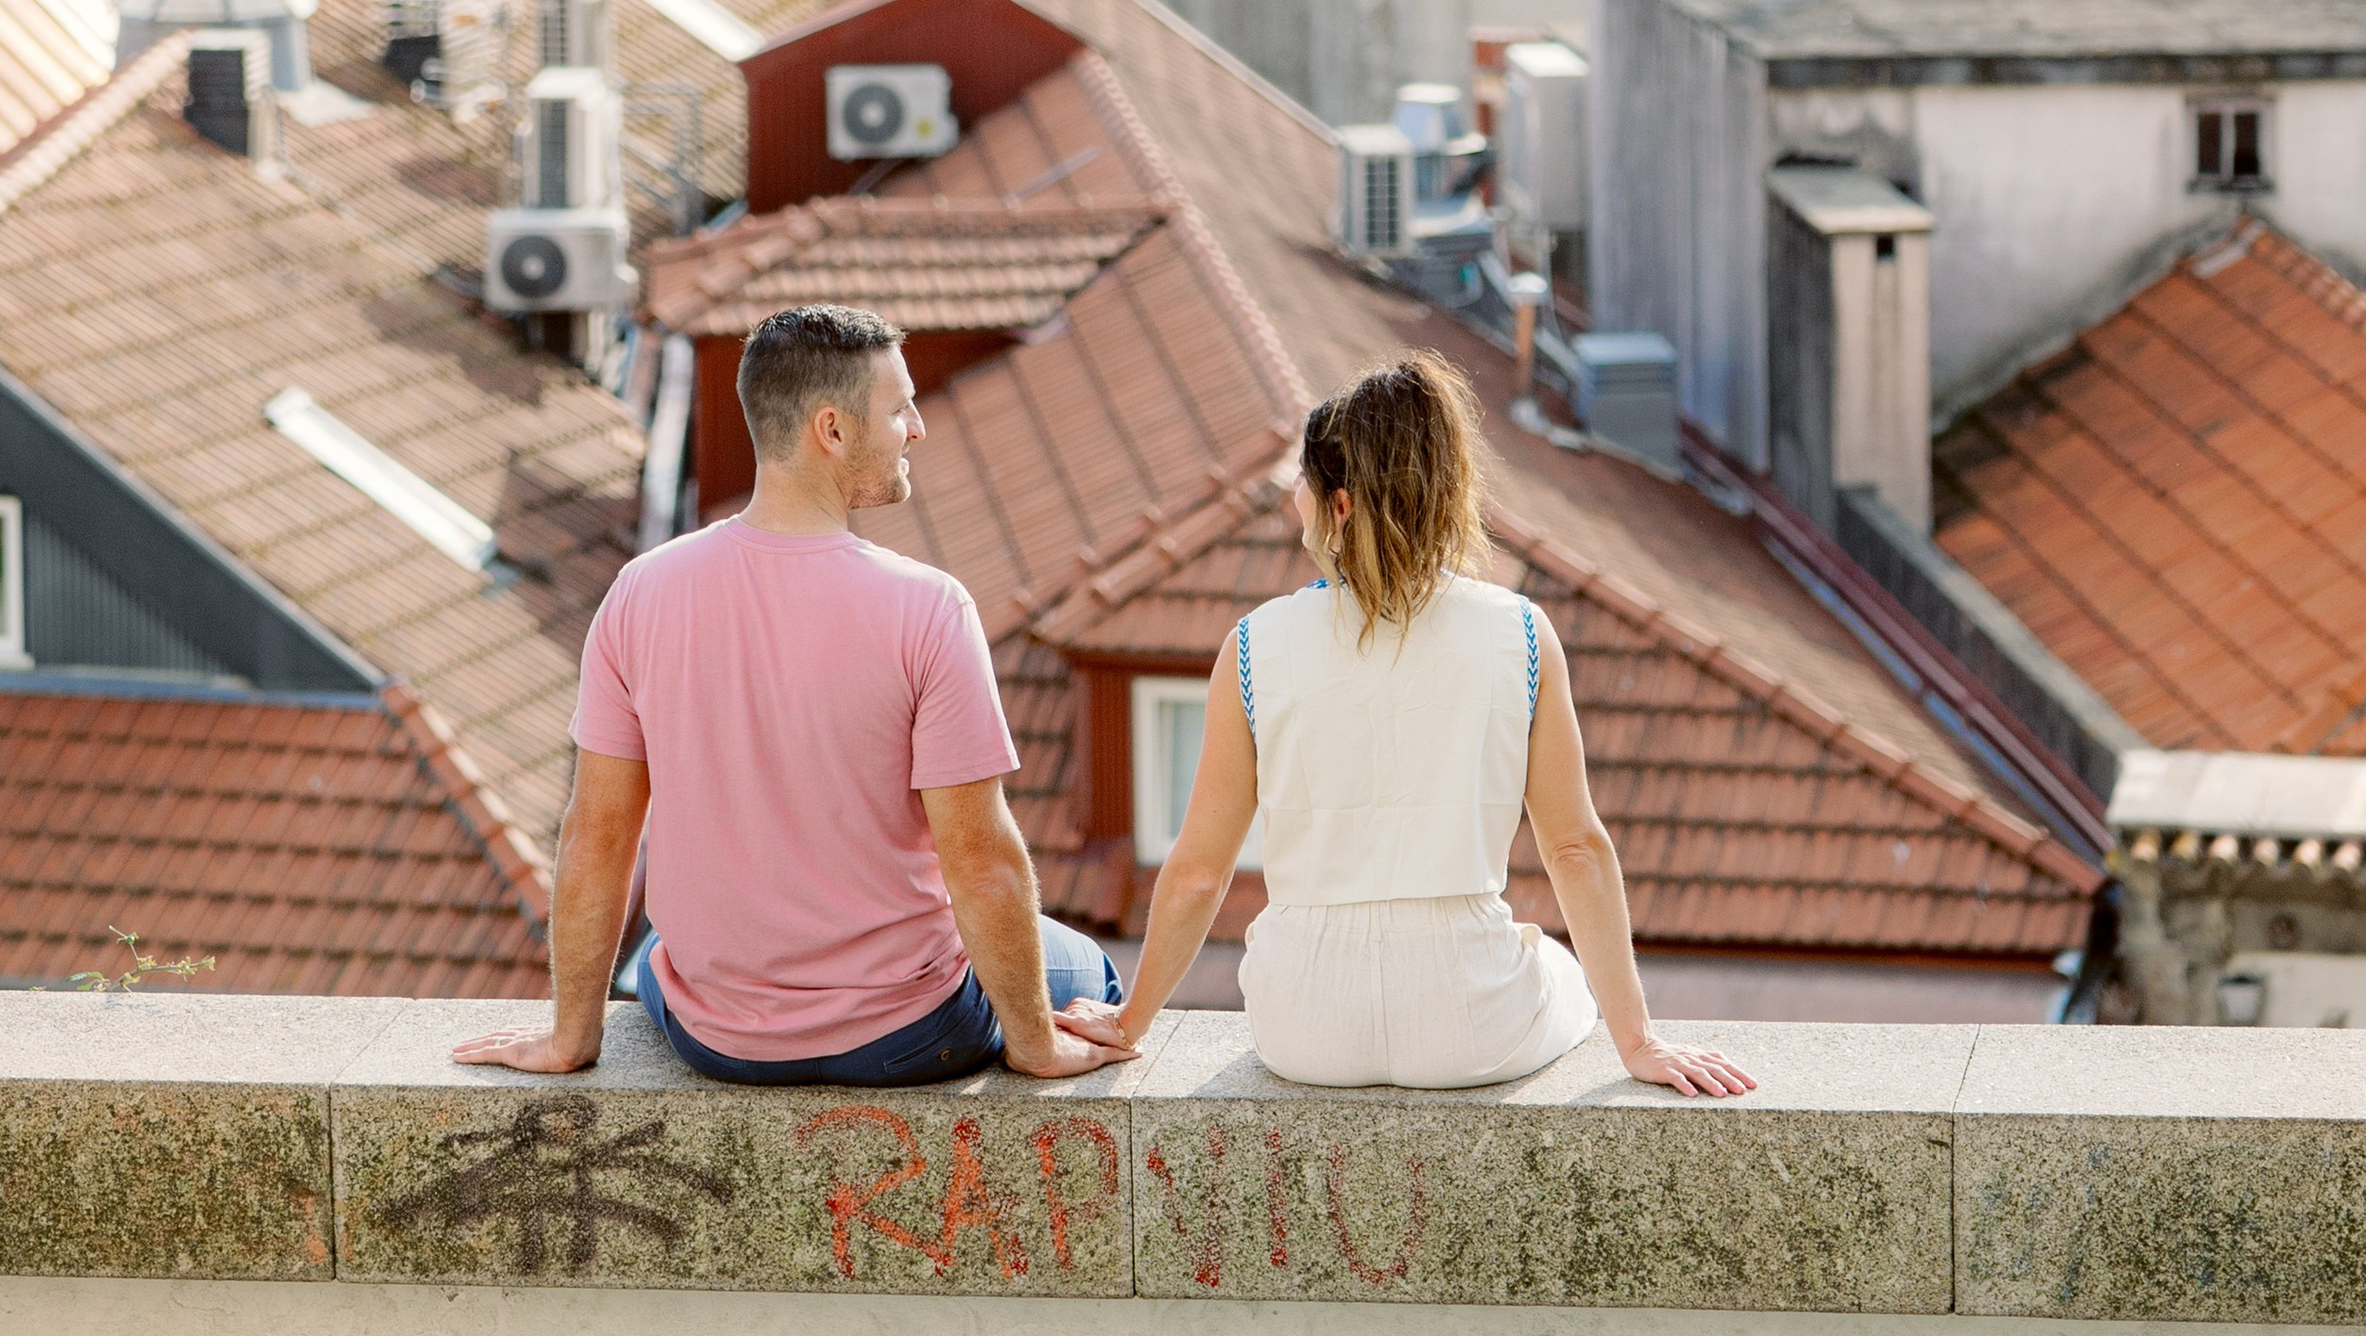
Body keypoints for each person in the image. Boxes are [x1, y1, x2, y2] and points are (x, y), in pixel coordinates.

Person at [452, 302, 1132, 1086]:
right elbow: (981, 863)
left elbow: (596, 835)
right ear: (832, 429)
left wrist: (570, 1037)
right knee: (1089, 972)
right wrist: (1037, 1047)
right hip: (905, 1033)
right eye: (900, 409)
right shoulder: (929, 608)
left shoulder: (640, 591)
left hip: (714, 1037)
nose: (916, 428)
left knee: (661, 949)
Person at [1105, 352, 1753, 1098]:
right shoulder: (1521, 632)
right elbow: (1575, 846)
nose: (1293, 497)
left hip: (1304, 1028)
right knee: (1558, 968)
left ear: (1340, 506)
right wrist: (1637, 1041)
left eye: (1304, 481)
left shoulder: (1252, 646)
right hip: (1470, 1023)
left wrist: (1130, 1022)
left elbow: (1197, 873)